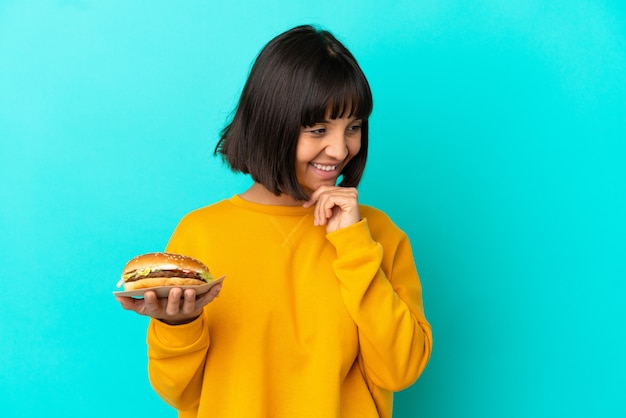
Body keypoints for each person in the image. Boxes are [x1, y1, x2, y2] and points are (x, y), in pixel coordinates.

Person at [116, 24, 432, 418]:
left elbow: (400, 370)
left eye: (353, 127)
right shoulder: (202, 234)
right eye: (318, 130)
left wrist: (353, 245)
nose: (340, 149)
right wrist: (180, 327)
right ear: (271, 124)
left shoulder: (378, 235)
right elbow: (180, 394)